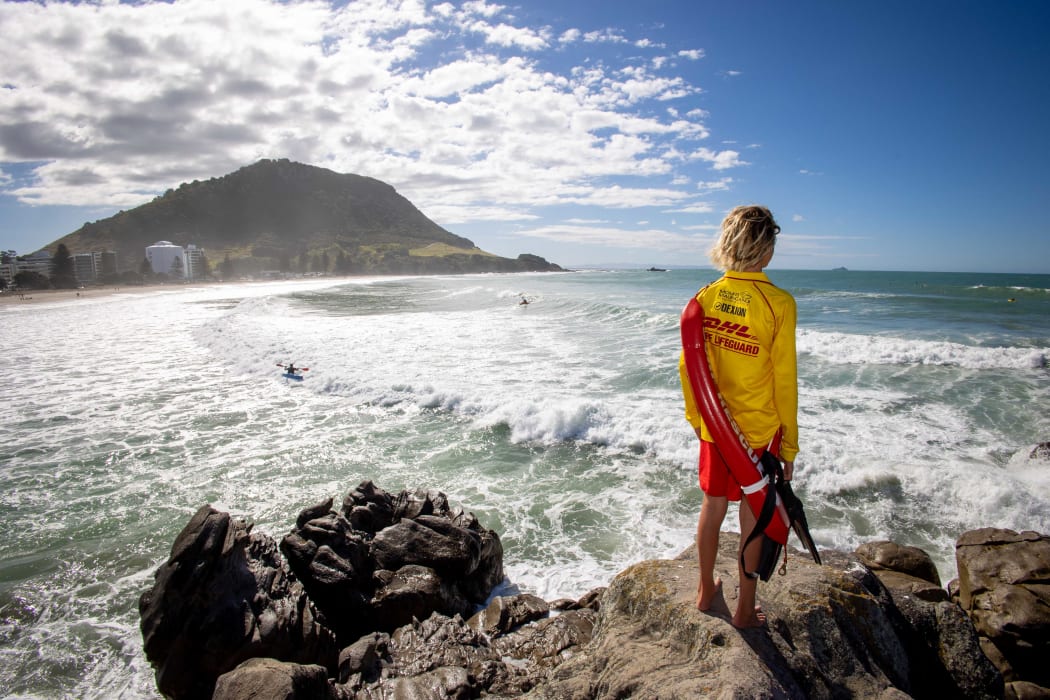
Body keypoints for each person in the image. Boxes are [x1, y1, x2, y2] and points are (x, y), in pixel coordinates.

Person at [678, 204, 799, 629]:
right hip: (758, 434)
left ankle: (705, 588)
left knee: (712, 506)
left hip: (717, 430)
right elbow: (785, 380)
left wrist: (699, 420)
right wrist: (789, 446)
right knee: (755, 514)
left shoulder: (705, 297)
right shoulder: (778, 303)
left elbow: (687, 367)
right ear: (766, 252)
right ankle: (746, 610)